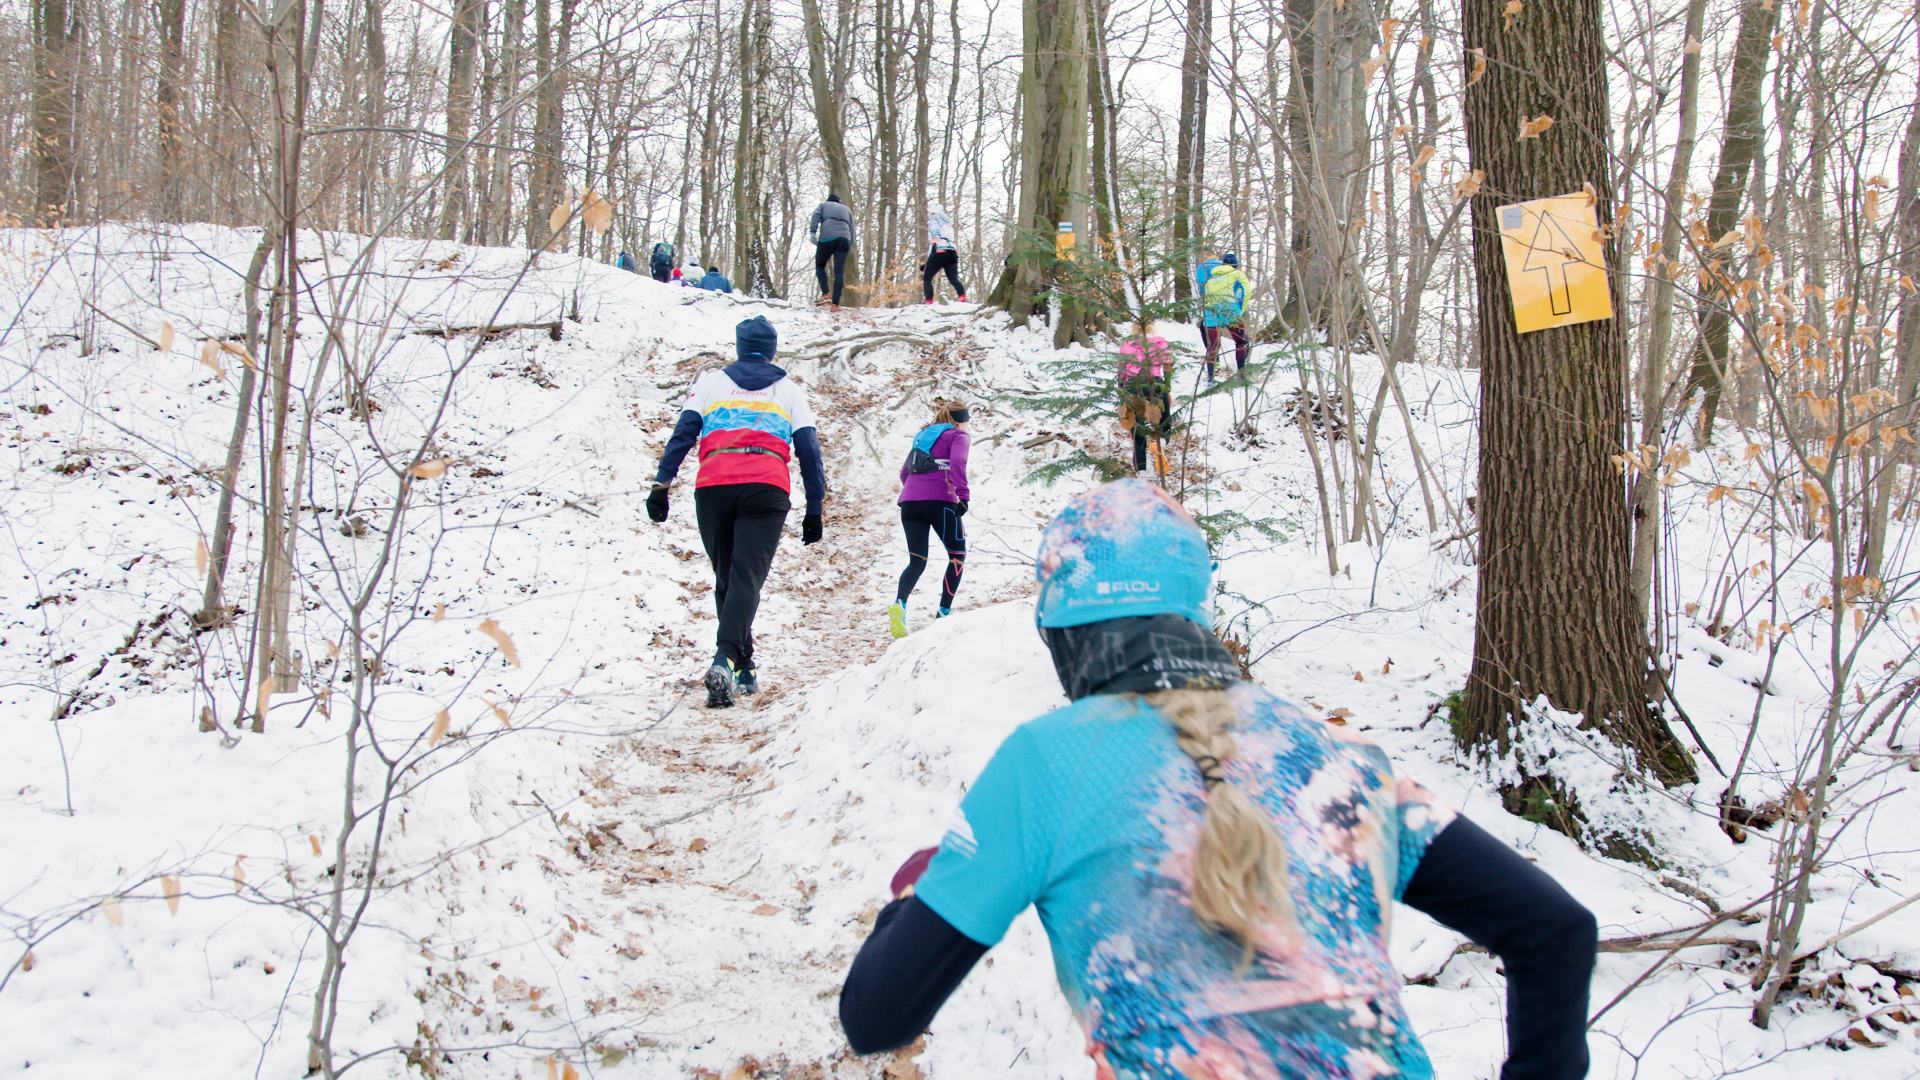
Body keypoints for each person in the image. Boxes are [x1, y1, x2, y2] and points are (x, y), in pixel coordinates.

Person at [839, 479, 1599, 1080]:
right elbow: (1556, 931)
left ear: (1062, 635)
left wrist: (913, 899)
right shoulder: (1338, 755)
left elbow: (877, 1017)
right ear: (1196, 616)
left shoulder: (1046, 764)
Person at [646, 316, 827, 708]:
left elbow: (683, 433)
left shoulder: (711, 383)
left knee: (727, 576)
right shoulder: (788, 389)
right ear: (773, 349)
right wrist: (815, 506)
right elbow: (809, 450)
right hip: (766, 487)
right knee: (744, 576)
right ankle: (728, 659)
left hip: (714, 485)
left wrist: (662, 485)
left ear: (739, 346)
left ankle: (740, 665)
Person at [888, 402, 972, 638]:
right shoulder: (958, 435)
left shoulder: (922, 436)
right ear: (962, 420)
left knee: (917, 560)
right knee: (957, 556)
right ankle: (944, 612)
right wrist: (963, 495)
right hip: (941, 501)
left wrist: (917, 491)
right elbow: (957, 463)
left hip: (909, 502)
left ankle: (900, 604)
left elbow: (904, 472)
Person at [1117, 323, 1173, 476]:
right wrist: (1167, 389)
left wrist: (1122, 392)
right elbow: (1168, 366)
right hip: (1155, 384)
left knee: (1138, 432)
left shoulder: (1126, 343)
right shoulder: (1159, 342)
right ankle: (1159, 443)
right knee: (1165, 424)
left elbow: (1120, 370)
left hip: (1132, 386)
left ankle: (1142, 473)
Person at [1201, 253, 1252, 382]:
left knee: (1212, 347)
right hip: (1230, 310)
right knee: (1240, 341)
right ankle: (1241, 374)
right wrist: (1241, 309)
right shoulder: (1237, 274)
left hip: (1211, 312)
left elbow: (1205, 298)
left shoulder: (1210, 280)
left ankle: (1210, 380)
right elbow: (1247, 291)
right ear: (1235, 265)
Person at [810, 194, 855, 309]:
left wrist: (813, 233)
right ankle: (835, 304)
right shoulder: (847, 210)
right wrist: (848, 244)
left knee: (820, 265)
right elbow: (852, 229)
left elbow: (815, 216)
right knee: (839, 272)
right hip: (844, 239)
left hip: (827, 238)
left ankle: (826, 294)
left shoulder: (823, 205)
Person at [921, 204, 967, 304]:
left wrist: (934, 244)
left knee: (927, 278)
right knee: (953, 278)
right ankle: (962, 298)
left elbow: (935, 232)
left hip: (940, 250)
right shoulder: (947, 223)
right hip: (952, 252)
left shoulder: (934, 220)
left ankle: (929, 301)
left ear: (933, 213)